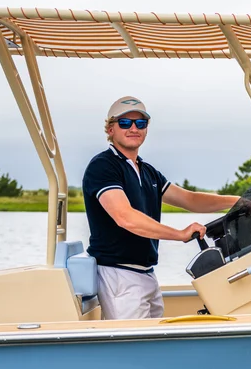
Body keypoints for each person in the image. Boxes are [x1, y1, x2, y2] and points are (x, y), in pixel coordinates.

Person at [82, 96, 240, 320]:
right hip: (119, 274)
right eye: (125, 123)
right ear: (110, 129)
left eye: (141, 123)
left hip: (146, 273)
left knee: (149, 345)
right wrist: (179, 234)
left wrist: (236, 201)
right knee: (131, 349)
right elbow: (124, 217)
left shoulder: (146, 171)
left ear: (146, 128)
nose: (133, 128)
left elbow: (190, 199)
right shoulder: (103, 166)